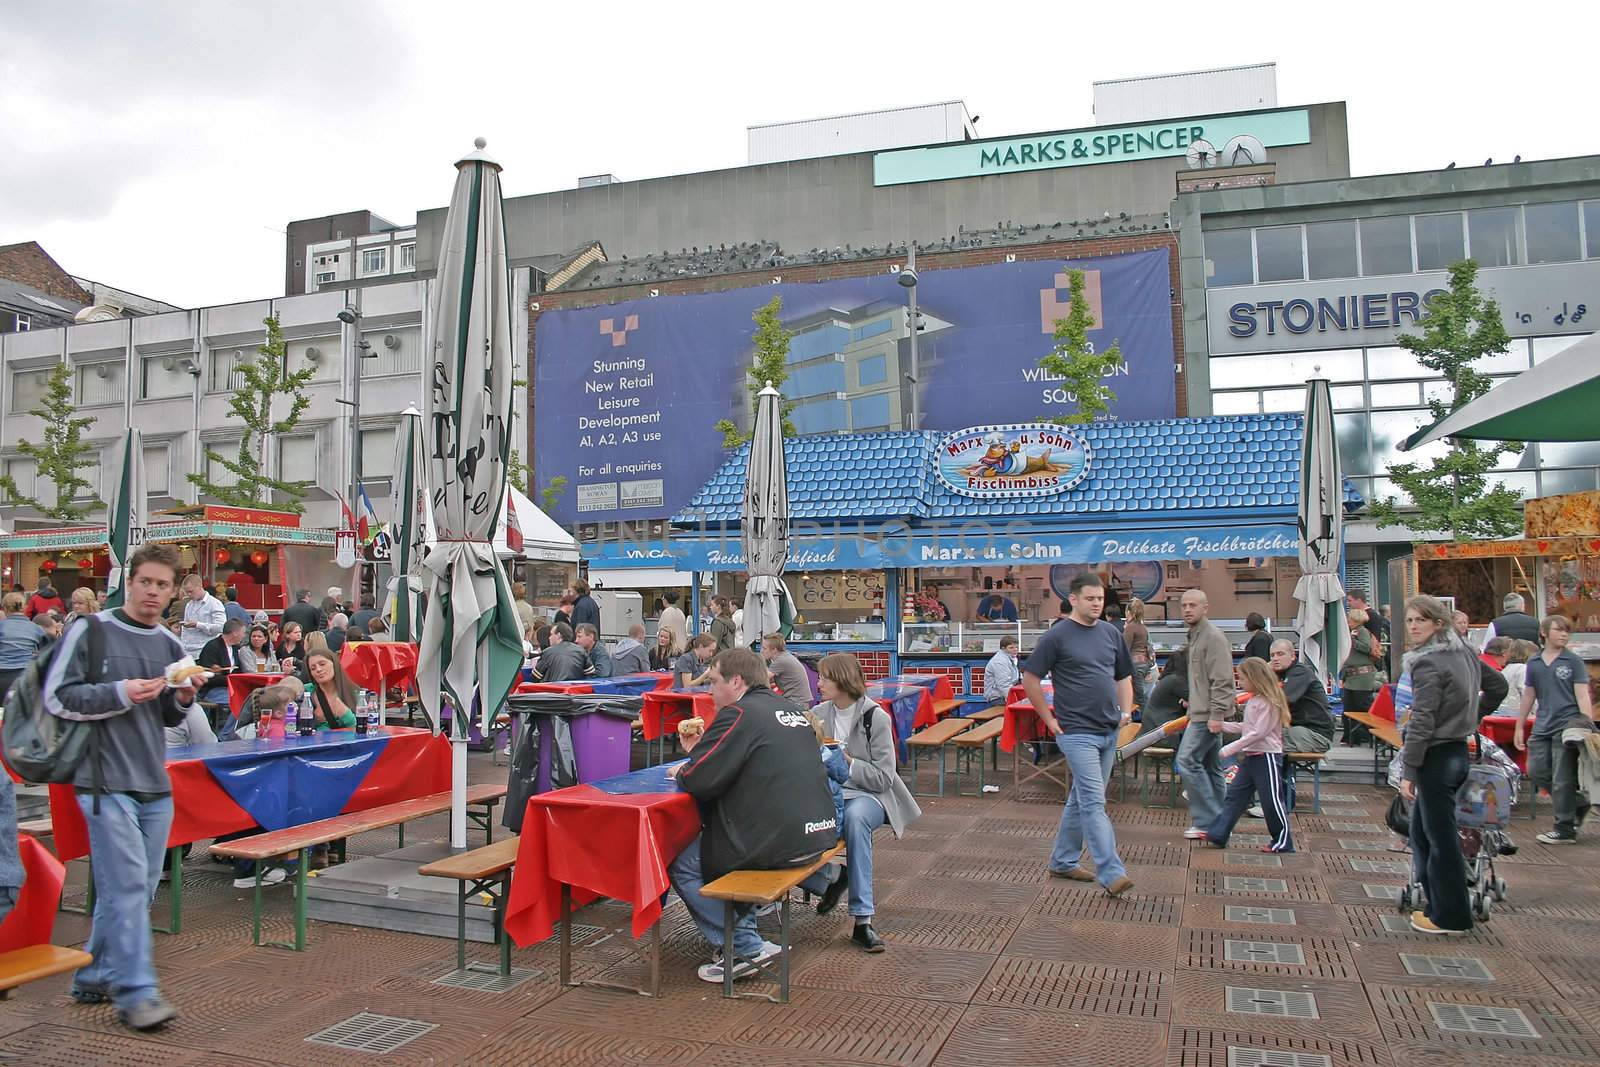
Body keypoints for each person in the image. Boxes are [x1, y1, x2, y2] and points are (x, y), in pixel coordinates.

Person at [45, 542, 203, 1030]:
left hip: (152, 779)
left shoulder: (172, 647)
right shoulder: (91, 630)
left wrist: (180, 697)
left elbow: (168, 714)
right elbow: (57, 697)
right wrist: (119, 691)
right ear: (129, 581)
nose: (153, 592)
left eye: (162, 585)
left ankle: (94, 975)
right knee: (130, 883)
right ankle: (137, 993)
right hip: (101, 778)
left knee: (132, 890)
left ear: (174, 591)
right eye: (146, 582)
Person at [669, 648, 840, 981]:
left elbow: (698, 779)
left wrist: (684, 768)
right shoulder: (790, 709)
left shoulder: (738, 714)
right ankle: (747, 930)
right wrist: (701, 757)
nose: (709, 690)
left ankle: (743, 946)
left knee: (684, 861)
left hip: (778, 842)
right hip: (819, 831)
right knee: (728, 835)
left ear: (736, 681)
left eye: (714, 681)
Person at [1019, 572, 1135, 897]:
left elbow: (1123, 676)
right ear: (1074, 600)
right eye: (1090, 598)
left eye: (1100, 599)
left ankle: (1063, 860)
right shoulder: (1058, 636)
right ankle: (1111, 872)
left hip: (1109, 729)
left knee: (1080, 799)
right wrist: (1049, 719)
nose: (1097, 604)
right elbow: (1030, 678)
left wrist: (1126, 712)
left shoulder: (1111, 633)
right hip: (1076, 732)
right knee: (1094, 802)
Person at [802, 652, 921, 951]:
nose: (820, 682)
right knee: (794, 818)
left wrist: (848, 762)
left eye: (826, 677)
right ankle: (830, 877)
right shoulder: (818, 713)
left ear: (843, 680)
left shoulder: (875, 717)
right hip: (831, 793)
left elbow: (884, 778)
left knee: (855, 821)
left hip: (871, 795)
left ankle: (862, 920)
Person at [1397, 594, 1482, 935]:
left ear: (1438, 623)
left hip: (1438, 754)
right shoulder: (1464, 653)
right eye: (1410, 621)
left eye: (1421, 620)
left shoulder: (1428, 663)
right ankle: (1437, 904)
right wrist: (1468, 717)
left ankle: (1450, 915)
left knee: (1439, 838)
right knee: (1422, 832)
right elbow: (1494, 685)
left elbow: (1422, 721)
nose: (1414, 626)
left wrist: (1409, 769)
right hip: (1457, 749)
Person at [1198, 657, 1294, 852]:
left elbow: (1258, 733)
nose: (1240, 683)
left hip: (1266, 756)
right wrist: (1223, 726)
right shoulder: (1257, 700)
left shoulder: (1267, 702)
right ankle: (1218, 833)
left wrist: (1229, 748)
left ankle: (1283, 841)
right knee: (1234, 797)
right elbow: (1248, 728)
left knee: (1271, 800)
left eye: (1242, 679)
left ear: (1254, 678)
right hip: (1253, 756)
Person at [1516, 614, 1596, 846]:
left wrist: (1587, 724)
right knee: (1537, 771)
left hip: (1568, 726)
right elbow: (1529, 694)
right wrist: (1520, 725)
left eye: (1566, 631)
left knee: (1563, 778)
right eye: (1558, 630)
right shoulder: (1534, 662)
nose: (1563, 634)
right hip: (1541, 726)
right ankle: (1578, 803)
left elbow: (1583, 695)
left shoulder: (1573, 662)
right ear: (1544, 633)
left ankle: (1564, 828)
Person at [1178, 589, 1232, 841]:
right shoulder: (1197, 636)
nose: (1187, 609)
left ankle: (1207, 821)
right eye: (1184, 605)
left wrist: (1217, 713)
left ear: (1205, 607)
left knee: (1187, 760)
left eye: (1192, 605)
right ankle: (1220, 821)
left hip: (1208, 715)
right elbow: (1202, 679)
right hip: (1202, 712)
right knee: (1211, 767)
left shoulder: (1212, 637)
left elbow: (1222, 679)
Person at [1269, 640, 1334, 755]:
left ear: (1293, 656)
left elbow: (1279, 701)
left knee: (1259, 742)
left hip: (1316, 735)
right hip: (1298, 730)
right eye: (1272, 655)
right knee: (1258, 738)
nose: (1275, 659)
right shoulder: (1282, 674)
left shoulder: (1300, 672)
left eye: (1280, 654)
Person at [1340, 607, 1384, 742]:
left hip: (1362, 676)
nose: (1348, 621)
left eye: (1350, 619)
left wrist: (1353, 641)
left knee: (1362, 705)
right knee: (1349, 707)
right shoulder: (1351, 632)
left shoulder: (1363, 631)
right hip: (1351, 676)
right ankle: (1351, 736)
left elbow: (1366, 648)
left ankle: (1371, 734)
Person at [0, 591, 44, 701]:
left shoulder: (1, 627)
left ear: (5, 608)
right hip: (26, 676)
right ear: (24, 607)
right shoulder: (36, 628)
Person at [195, 619, 246, 706]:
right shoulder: (212, 647)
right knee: (237, 702)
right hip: (213, 689)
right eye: (243, 632)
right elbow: (208, 676)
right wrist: (232, 679)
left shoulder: (235, 648)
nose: (244, 636)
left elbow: (237, 670)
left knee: (249, 699)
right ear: (235, 633)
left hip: (231, 688)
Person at [304, 650, 359, 730]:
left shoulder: (356, 694)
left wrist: (346, 715)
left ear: (334, 664)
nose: (318, 669)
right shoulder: (305, 691)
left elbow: (365, 732)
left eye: (322, 664)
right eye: (313, 668)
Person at [177, 573, 225, 659]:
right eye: (187, 592)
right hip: (188, 652)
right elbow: (185, 631)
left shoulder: (214, 603)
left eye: (190, 591)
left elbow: (221, 627)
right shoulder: (189, 604)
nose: (188, 595)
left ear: (200, 587)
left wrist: (198, 625)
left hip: (206, 651)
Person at [1142, 650, 1188, 737]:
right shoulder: (1176, 680)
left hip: (1154, 726)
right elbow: (1199, 701)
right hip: (1162, 731)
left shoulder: (1170, 678)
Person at [761, 632, 811, 701]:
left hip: (796, 702)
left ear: (774, 649)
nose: (761, 651)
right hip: (798, 699)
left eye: (764, 648)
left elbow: (760, 679)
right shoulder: (784, 656)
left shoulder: (781, 661)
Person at [1124, 598, 1154, 711]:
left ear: (1129, 612)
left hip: (1135, 665)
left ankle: (1143, 722)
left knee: (1138, 699)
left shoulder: (1130, 628)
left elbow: (1125, 649)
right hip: (1145, 664)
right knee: (1141, 696)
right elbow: (1148, 647)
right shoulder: (1143, 628)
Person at [1497, 639, 1537, 714]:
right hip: (1517, 714)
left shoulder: (1507, 669)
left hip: (1503, 712)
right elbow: (1527, 693)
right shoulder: (1523, 669)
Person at [982, 634, 1021, 707]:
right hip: (997, 698)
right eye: (1011, 647)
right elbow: (1003, 685)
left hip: (1004, 695)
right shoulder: (1000, 661)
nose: (1015, 649)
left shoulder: (1011, 658)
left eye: (1016, 647)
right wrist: (1015, 700)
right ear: (1003, 648)